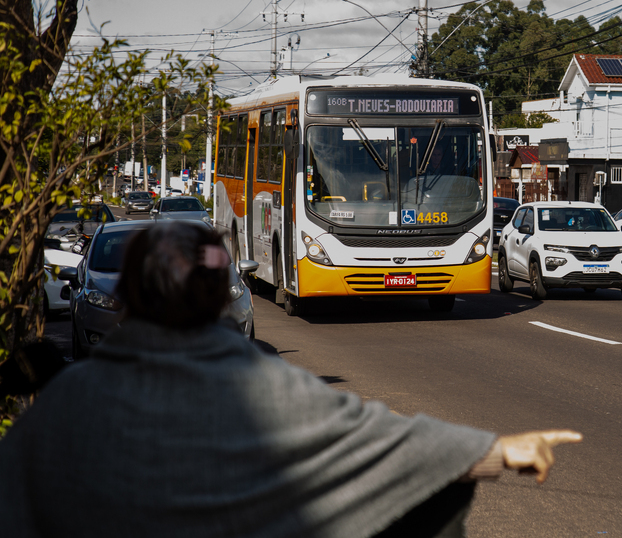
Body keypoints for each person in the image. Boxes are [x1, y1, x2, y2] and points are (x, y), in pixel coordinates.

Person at [0, 222, 581, 538]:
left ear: (130, 298)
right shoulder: (270, 388)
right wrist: (499, 451)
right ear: (216, 298)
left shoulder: (67, 403)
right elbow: (392, 449)